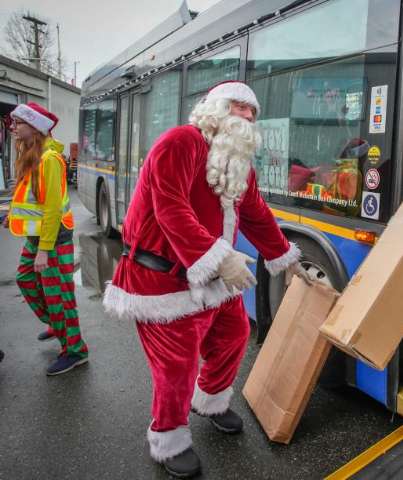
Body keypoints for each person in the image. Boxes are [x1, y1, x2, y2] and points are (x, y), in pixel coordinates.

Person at [102, 81, 312, 478]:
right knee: (176, 365)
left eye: (253, 112)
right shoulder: (179, 142)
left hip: (208, 277)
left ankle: (211, 400)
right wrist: (221, 258)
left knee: (233, 333)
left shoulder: (236, 162)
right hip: (160, 280)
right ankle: (167, 437)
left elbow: (256, 214)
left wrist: (284, 259)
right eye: (239, 107)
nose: (248, 116)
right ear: (215, 108)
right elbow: (171, 209)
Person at [4, 103, 89, 375]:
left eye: (18, 122)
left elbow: (52, 208)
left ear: (34, 126)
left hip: (52, 240)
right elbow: (30, 199)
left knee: (60, 296)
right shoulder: (32, 154)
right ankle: (56, 323)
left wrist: (44, 250)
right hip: (39, 236)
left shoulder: (49, 159)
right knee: (26, 279)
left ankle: (76, 351)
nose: (13, 127)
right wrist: (11, 218)